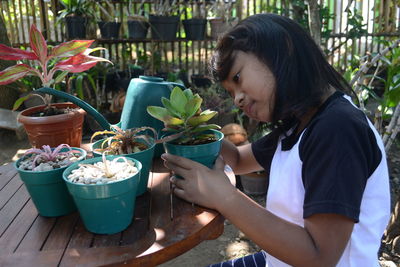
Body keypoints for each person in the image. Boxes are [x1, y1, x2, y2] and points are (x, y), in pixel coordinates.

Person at [161, 13, 390, 266]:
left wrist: (224, 197)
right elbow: (237, 159)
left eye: (237, 78)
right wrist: (191, 129)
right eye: (230, 92)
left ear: (283, 51)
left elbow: (320, 257)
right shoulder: (298, 124)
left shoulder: (338, 129)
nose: (236, 99)